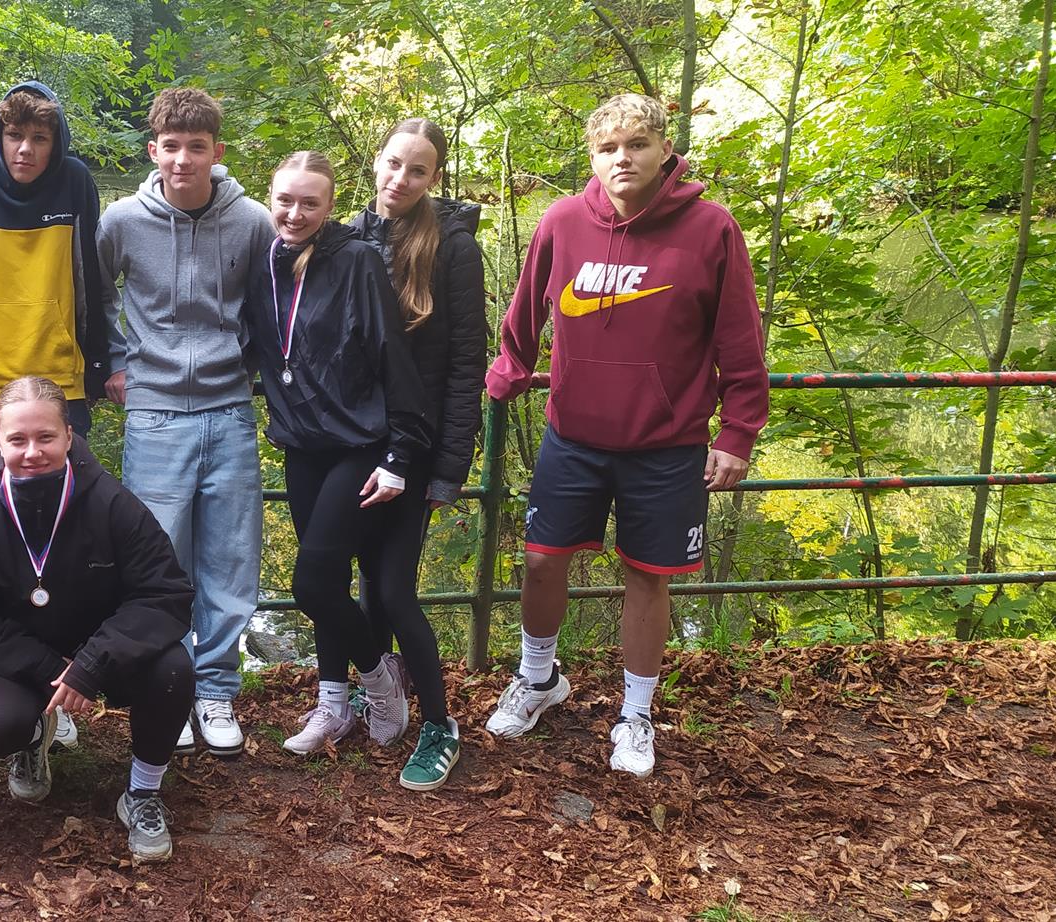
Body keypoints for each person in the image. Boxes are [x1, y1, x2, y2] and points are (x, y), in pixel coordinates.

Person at [482, 94, 768, 777]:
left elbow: (740, 338)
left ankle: (636, 715)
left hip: (667, 444)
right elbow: (524, 310)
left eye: (637, 144)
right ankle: (538, 680)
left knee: (647, 576)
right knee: (541, 561)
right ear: (592, 156)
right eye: (608, 148)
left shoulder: (711, 229)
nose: (622, 159)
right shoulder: (561, 222)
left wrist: (738, 432)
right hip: (573, 437)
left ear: (665, 149)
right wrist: (510, 368)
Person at [0, 376, 195, 863]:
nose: (32, 452)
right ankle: (33, 736)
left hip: (107, 654)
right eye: (18, 439)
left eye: (46, 437)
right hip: (25, 662)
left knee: (173, 669)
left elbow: (165, 592)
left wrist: (92, 663)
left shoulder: (113, 504)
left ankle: (142, 792)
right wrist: (49, 667)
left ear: (69, 435)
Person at [96, 87, 271, 759]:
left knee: (230, 557)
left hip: (229, 409)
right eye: (171, 147)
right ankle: (166, 685)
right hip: (155, 411)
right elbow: (94, 295)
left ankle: (216, 688)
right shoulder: (120, 221)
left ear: (216, 151)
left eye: (197, 147)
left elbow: (271, 304)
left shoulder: (252, 221)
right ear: (153, 150)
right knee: (159, 559)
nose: (183, 160)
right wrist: (117, 362)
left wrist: (250, 365)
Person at [238, 152, 429, 760]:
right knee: (329, 582)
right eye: (284, 200)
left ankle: (380, 680)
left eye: (309, 203)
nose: (294, 214)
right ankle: (332, 704)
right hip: (302, 445)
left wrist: (401, 453)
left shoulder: (357, 260)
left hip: (359, 444)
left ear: (329, 205)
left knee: (312, 582)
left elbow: (392, 354)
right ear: (270, 199)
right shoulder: (264, 260)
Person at [348, 118, 489, 791]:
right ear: (376, 162)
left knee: (394, 590)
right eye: (393, 163)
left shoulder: (453, 247)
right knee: (363, 581)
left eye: (417, 170)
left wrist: (449, 469)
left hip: (417, 447)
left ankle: (440, 724)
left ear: (435, 178)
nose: (400, 179)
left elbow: (465, 365)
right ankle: (381, 698)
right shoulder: (351, 235)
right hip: (355, 441)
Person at [0, 81, 113, 510]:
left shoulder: (74, 181)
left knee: (62, 515)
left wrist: (98, 365)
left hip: (58, 382)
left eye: (40, 138)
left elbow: (91, 280)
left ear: (56, 143)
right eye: (14, 135)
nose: (25, 149)